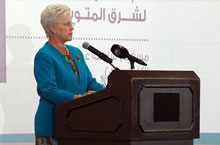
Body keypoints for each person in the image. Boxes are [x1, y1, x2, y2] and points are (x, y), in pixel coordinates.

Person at [34, 4, 104, 145]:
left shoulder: (76, 52)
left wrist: (109, 91)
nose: (72, 27)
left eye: (71, 23)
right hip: (52, 125)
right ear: (52, 28)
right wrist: (78, 98)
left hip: (77, 124)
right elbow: (49, 90)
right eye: (67, 24)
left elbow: (89, 82)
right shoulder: (44, 55)